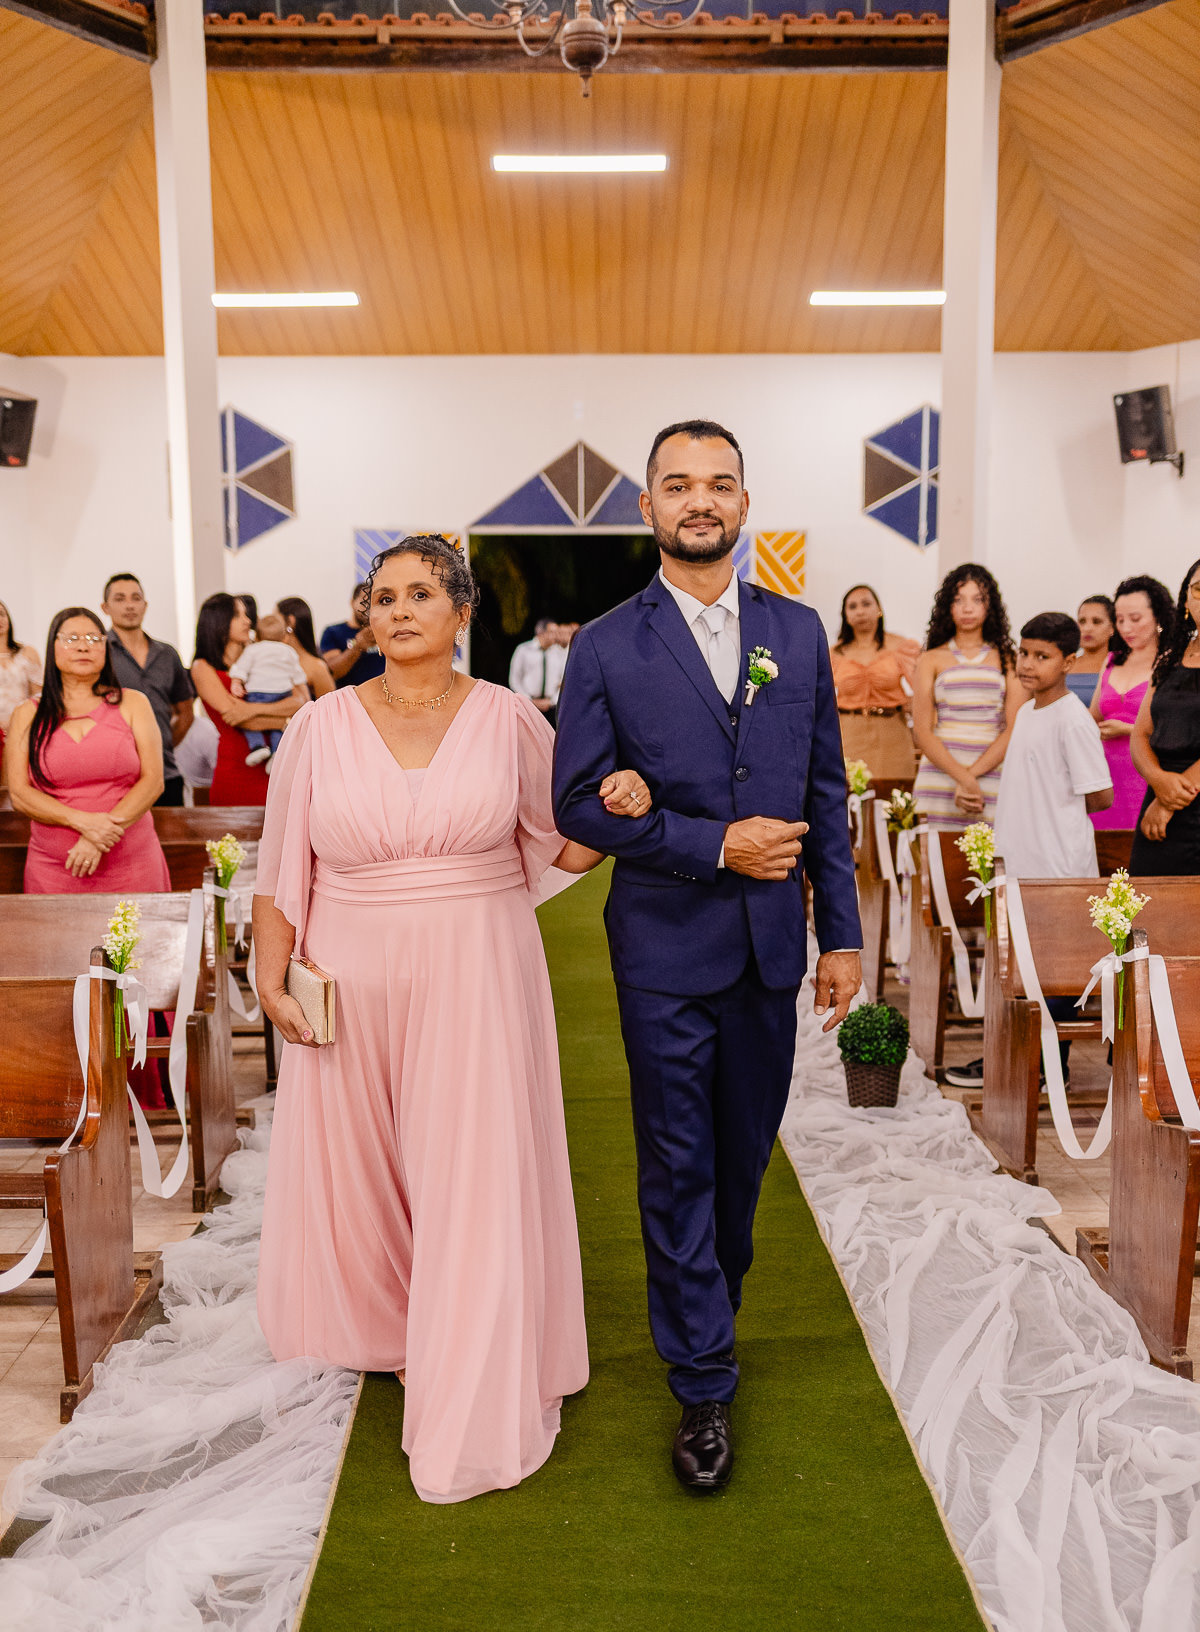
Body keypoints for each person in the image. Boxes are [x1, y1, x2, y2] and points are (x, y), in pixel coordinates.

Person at [252, 534, 647, 1506]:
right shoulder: (319, 727)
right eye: (383, 595)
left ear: (462, 613)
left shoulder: (509, 718)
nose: (398, 610)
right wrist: (270, 979)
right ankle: (395, 1329)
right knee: (369, 1164)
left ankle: (472, 1378)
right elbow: (281, 868)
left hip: (476, 966)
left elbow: (571, 836)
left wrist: (618, 805)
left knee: (470, 1168)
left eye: (421, 593)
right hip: (349, 965)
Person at [553, 419, 863, 1495]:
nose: (700, 499)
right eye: (677, 484)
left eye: (719, 483)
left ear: (744, 503)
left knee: (741, 1161)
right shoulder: (605, 645)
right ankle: (701, 1381)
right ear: (646, 507)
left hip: (773, 947)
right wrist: (703, 840)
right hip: (664, 947)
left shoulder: (800, 630)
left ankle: (706, 1311)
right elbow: (576, 800)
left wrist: (846, 936)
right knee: (678, 1158)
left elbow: (823, 792)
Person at [945, 614, 1113, 1091]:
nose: (1028, 664)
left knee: (1052, 974)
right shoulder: (1027, 713)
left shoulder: (1072, 718)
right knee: (1019, 973)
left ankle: (1043, 1070)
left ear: (1069, 662)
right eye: (1024, 653)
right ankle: (1014, 1062)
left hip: (1058, 867)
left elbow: (1100, 794)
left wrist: (1055, 810)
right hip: (1020, 863)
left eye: (1043, 657)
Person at [4, 607, 169, 894]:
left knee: (137, 938)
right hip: (54, 868)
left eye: (94, 638)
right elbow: (20, 794)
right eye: (71, 638)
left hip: (131, 862)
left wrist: (96, 838)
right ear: (52, 646)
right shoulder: (27, 714)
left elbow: (153, 780)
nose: (83, 646)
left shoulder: (133, 703)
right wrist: (83, 822)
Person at [911, 563, 1023, 827]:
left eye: (977, 599)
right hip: (940, 774)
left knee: (992, 861)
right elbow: (922, 731)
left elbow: (1014, 728)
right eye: (959, 600)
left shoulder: (1008, 658)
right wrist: (962, 777)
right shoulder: (930, 658)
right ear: (947, 606)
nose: (968, 608)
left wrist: (971, 776)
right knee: (937, 863)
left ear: (990, 605)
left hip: (992, 772)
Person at [191, 594, 308, 805]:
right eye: (238, 615)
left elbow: (302, 700)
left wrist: (249, 708)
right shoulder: (203, 667)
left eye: (246, 615)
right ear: (219, 621)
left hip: (278, 765)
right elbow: (238, 719)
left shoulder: (262, 654)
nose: (248, 621)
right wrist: (286, 722)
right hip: (236, 769)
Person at [1129, 557, 1200, 876]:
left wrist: (1169, 802)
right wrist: (1158, 782)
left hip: (1182, 796)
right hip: (1158, 792)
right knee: (1148, 910)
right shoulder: (1171, 657)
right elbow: (1141, 734)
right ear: (1186, 598)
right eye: (1198, 589)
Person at [101, 572, 195, 806]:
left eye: (136, 598)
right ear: (105, 607)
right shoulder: (99, 653)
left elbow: (185, 713)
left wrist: (157, 744)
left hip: (166, 775)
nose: (130, 605)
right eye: (120, 599)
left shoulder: (167, 654)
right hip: (117, 779)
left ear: (145, 605)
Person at [1088, 575, 1174, 830]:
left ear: (1158, 616)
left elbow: (1177, 729)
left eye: (1135, 619)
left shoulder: (1170, 663)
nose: (1126, 628)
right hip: (1105, 776)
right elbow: (1094, 715)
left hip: (1147, 776)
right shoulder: (1113, 659)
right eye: (1120, 619)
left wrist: (1128, 729)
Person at [830, 583, 919, 779]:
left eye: (866, 604)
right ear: (845, 615)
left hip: (893, 734)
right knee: (849, 798)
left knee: (894, 800)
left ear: (878, 609)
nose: (860, 611)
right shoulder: (833, 654)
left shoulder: (900, 646)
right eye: (852, 607)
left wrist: (915, 702)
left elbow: (925, 688)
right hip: (848, 736)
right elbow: (819, 697)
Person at [228, 615, 309, 769]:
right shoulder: (289, 651)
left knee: (248, 715)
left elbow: (241, 668)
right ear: (285, 637)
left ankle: (258, 746)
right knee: (280, 722)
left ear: (257, 636)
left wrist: (236, 683)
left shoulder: (253, 649)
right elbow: (298, 676)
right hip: (282, 692)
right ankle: (277, 753)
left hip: (257, 693)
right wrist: (305, 695)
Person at [0, 599, 42, 772]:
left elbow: (39, 696)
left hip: (23, 729)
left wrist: (20, 722)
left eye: (1, 614)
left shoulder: (27, 653)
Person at [320, 584, 385, 688]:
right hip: (349, 698)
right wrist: (357, 646)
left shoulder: (385, 631)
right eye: (364, 601)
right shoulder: (333, 631)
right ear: (352, 602)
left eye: (374, 602)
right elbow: (332, 672)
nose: (368, 607)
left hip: (385, 697)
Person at [275, 598, 336, 699]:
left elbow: (330, 709)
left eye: (276, 620)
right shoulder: (276, 659)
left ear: (290, 622)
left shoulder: (317, 667)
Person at [509, 619, 567, 724]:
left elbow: (564, 680)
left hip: (552, 708)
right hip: (527, 707)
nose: (556, 636)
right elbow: (515, 679)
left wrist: (552, 700)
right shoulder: (523, 650)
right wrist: (529, 700)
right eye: (553, 632)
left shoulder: (560, 653)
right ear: (541, 633)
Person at [1066, 595, 1115, 706]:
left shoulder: (1120, 666)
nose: (1087, 628)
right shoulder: (1064, 665)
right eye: (1082, 621)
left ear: (1112, 628)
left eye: (1096, 621)